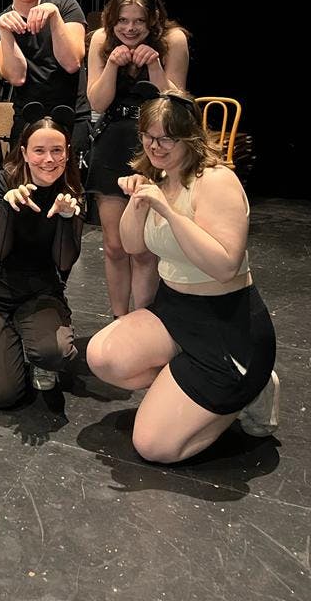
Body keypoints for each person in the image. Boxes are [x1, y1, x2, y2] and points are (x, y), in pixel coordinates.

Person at [86, 89, 279, 463]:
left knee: (154, 447)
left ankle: (250, 390)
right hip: (174, 309)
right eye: (147, 136)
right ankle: (185, 388)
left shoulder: (216, 181)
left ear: (189, 137)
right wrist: (138, 202)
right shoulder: (158, 176)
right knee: (103, 356)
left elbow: (224, 265)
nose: (154, 147)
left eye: (165, 139)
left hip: (228, 323)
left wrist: (168, 212)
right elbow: (132, 245)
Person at [0, 105, 83, 408]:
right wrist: (8, 208)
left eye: (57, 151)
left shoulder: (70, 190)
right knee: (2, 395)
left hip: (39, 291)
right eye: (39, 151)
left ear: (67, 153)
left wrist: (66, 219)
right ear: (25, 153)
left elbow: (63, 262)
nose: (49, 159)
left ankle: (34, 347)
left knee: (53, 352)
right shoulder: (2, 181)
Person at [86, 0, 189, 318]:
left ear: (153, 19)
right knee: (115, 245)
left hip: (156, 144)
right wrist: (112, 65)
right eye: (123, 21)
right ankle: (119, 318)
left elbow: (176, 104)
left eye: (139, 21)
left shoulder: (173, 39)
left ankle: (144, 320)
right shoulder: (100, 39)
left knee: (144, 247)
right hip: (112, 141)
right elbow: (97, 102)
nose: (129, 28)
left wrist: (154, 66)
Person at [0, 0, 90, 157]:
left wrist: (54, 17)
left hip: (71, 116)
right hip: (27, 118)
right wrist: (5, 31)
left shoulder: (66, 7)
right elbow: (17, 77)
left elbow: (72, 63)